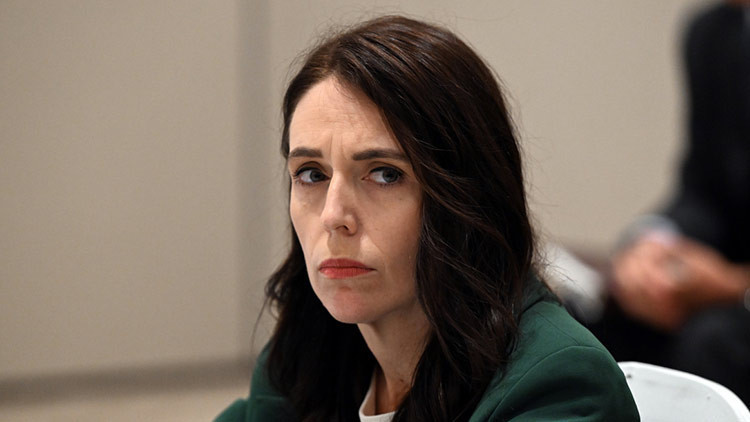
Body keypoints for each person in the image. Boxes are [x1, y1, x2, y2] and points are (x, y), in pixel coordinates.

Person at [215, 15, 638, 421]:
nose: (333, 216)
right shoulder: (310, 353)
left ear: (468, 197)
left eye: (385, 174)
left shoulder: (558, 384)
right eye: (312, 174)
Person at [591, 0, 750, 405]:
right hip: (722, 290)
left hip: (731, 312)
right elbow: (703, 190)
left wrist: (737, 286)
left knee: (712, 343)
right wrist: (652, 245)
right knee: (600, 324)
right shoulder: (713, 33)